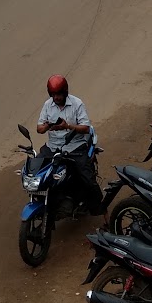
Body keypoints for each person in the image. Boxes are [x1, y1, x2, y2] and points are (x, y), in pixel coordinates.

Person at [37, 75, 101, 213]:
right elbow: (39, 129)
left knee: (88, 180)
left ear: (65, 92)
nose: (56, 98)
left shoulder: (77, 103)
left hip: (74, 146)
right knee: (37, 171)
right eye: (53, 95)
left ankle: (102, 213)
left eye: (59, 94)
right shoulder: (48, 105)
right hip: (53, 146)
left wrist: (68, 126)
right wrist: (48, 125)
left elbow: (86, 128)